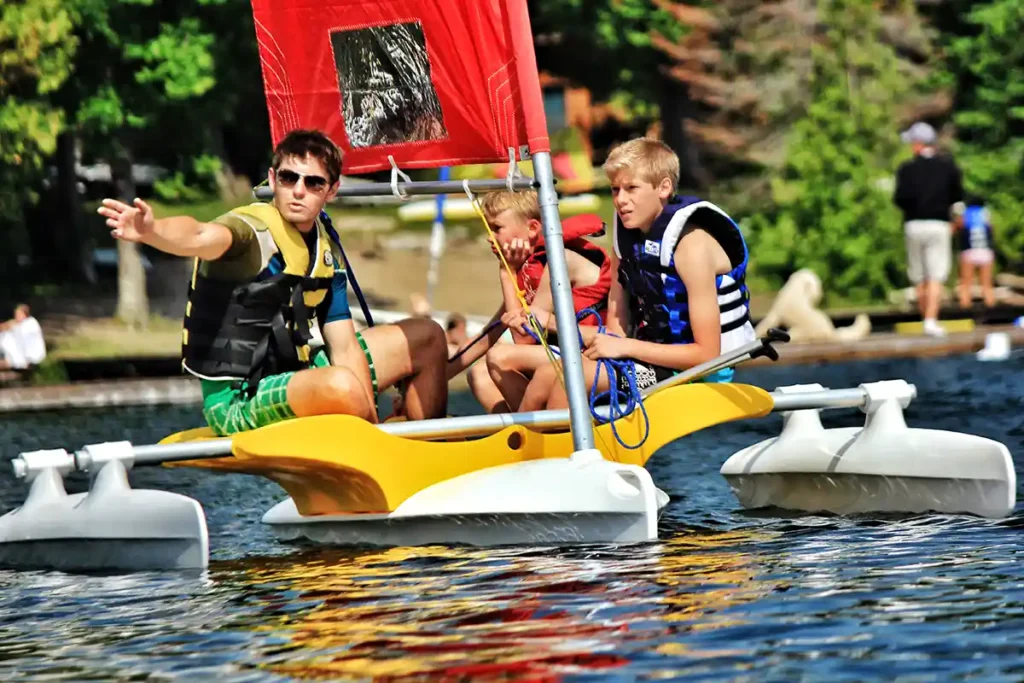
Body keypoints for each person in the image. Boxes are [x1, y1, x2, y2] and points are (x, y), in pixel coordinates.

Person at [98, 129, 449, 435]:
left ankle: (421, 451)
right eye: (288, 178)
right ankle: (382, 451)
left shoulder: (324, 251)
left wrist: (370, 422)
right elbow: (199, 233)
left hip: (297, 375)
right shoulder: (250, 233)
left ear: (332, 191)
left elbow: (344, 348)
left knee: (426, 337)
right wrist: (152, 230)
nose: (298, 190)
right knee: (343, 385)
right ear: (272, 178)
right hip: (239, 401)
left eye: (313, 182)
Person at [517, 137, 756, 412]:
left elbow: (706, 354)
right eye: (615, 189)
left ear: (664, 187)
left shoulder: (692, 247)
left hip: (696, 374)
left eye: (631, 188)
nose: (620, 200)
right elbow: (617, 331)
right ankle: (517, 450)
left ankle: (559, 450)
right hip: (650, 358)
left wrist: (624, 348)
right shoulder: (628, 239)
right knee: (541, 370)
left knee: (564, 378)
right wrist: (549, 324)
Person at [446, 190, 612, 413]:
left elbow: (524, 336)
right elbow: (487, 337)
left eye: (497, 228)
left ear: (532, 228)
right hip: (560, 357)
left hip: (594, 361)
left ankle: (535, 436)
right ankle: (516, 440)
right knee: (479, 375)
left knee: (498, 357)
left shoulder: (559, 261)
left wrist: (506, 272)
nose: (489, 236)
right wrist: (438, 378)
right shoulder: (528, 270)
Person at [893, 121, 964, 337]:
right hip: (939, 225)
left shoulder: (906, 169)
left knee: (919, 275)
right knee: (935, 275)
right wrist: (956, 219)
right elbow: (958, 199)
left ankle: (925, 318)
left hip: (914, 225)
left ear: (918, 144)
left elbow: (899, 199)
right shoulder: (949, 167)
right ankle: (931, 321)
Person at [952, 194, 997, 309]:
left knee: (966, 285)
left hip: (969, 251)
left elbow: (955, 228)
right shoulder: (985, 214)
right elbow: (991, 229)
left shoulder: (964, 214)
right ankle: (991, 310)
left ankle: (965, 310)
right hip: (986, 251)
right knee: (987, 285)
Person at [0, 304, 45, 371]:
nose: (16, 316)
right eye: (16, 314)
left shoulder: (30, 323)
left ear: (25, 314)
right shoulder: (19, 323)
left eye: (18, 314)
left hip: (25, 358)